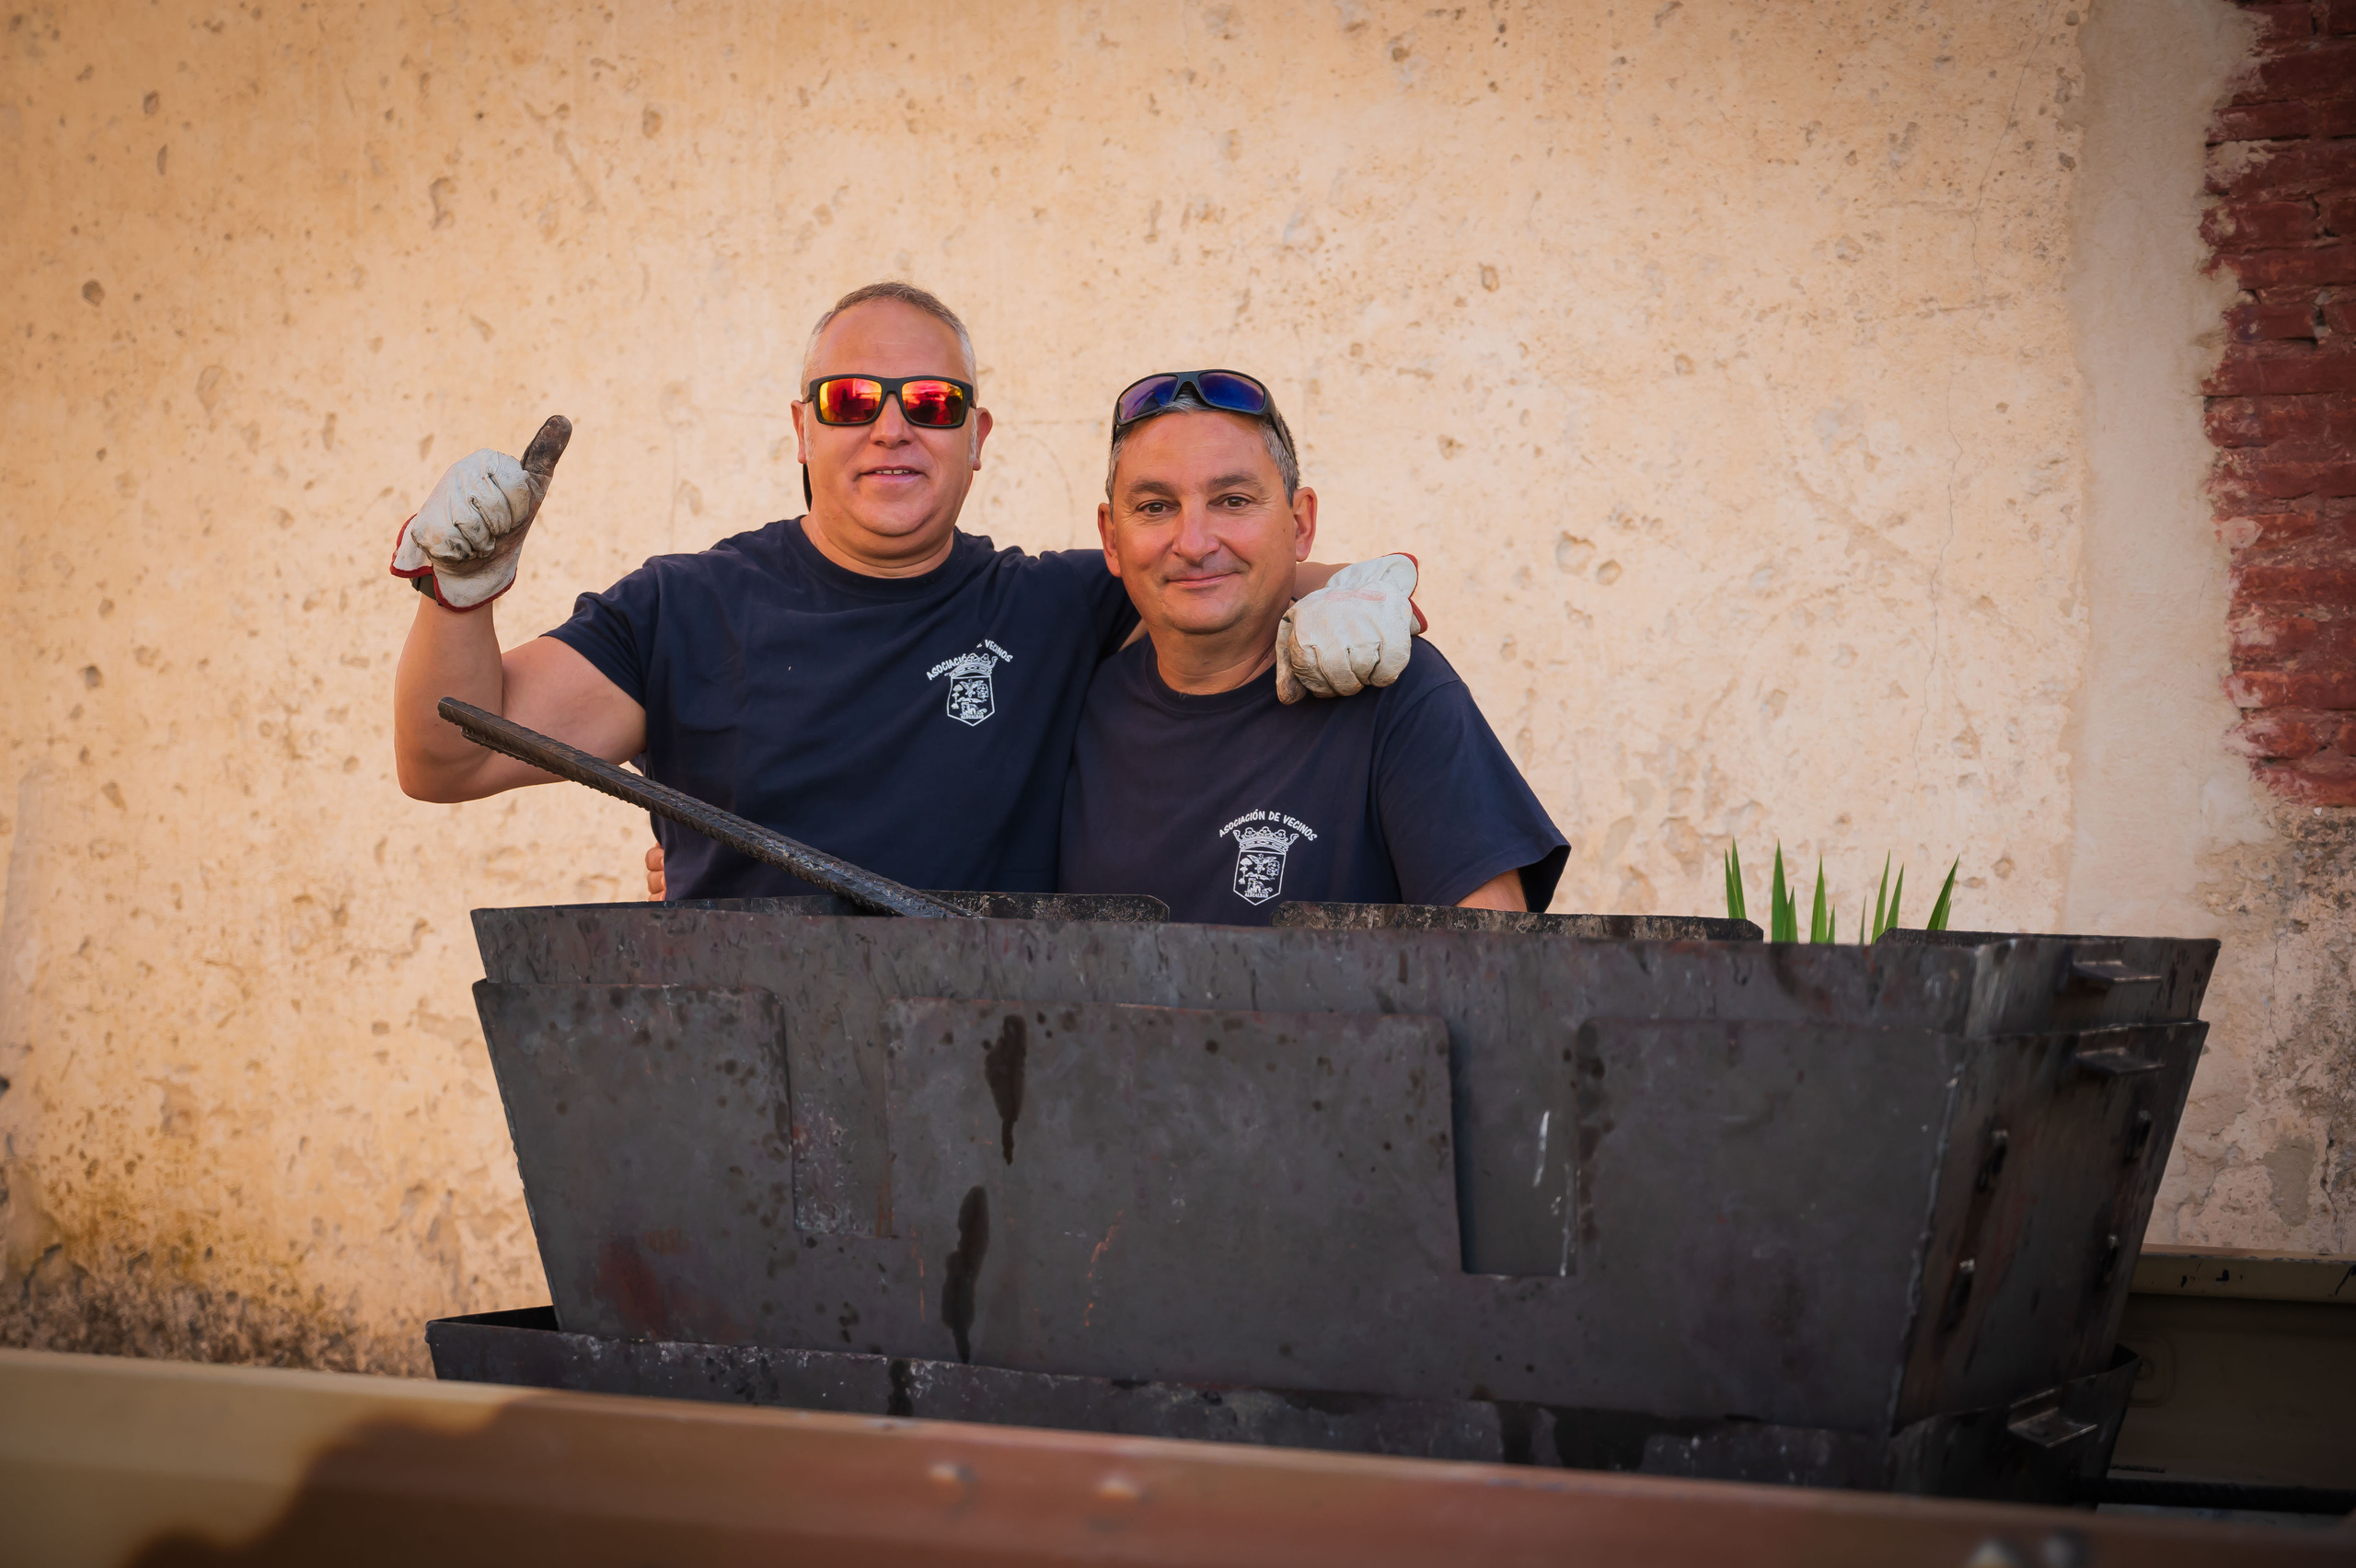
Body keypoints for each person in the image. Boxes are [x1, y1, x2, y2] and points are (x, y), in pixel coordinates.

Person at [391, 282, 1429, 903]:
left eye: (932, 403)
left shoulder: (1057, 609)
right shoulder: (682, 610)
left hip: (990, 1114)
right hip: (739, 1092)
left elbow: (1214, 574)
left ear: (976, 442)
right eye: (852, 400)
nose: (892, 427)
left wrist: (1366, 587)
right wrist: (460, 597)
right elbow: (449, 757)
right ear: (802, 430)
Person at [1058, 371, 1567, 924]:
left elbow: (1494, 967)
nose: (1195, 543)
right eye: (1156, 506)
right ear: (1111, 538)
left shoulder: (1394, 691)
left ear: (1301, 524)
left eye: (1233, 500)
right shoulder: (1069, 705)